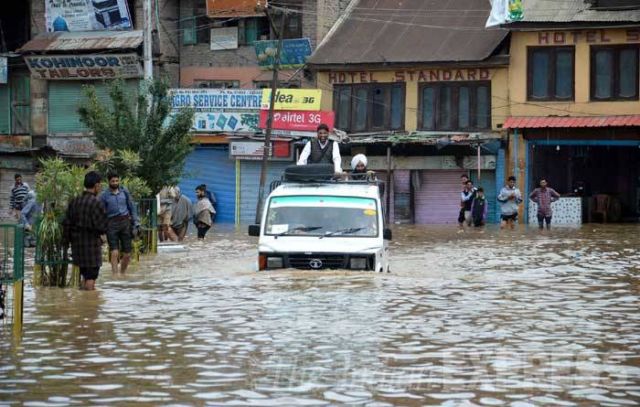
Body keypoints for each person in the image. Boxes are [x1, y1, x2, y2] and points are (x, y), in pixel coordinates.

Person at [62, 171, 108, 290]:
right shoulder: (97, 203)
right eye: (100, 185)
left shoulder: (75, 201)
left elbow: (66, 223)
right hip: (91, 246)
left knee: (85, 275)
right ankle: (90, 305)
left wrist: (67, 242)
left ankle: (82, 302)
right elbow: (101, 226)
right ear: (96, 185)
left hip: (77, 246)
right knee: (91, 276)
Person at [99, 173, 139, 274]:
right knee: (114, 252)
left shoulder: (124, 191)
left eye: (117, 181)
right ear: (109, 182)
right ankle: (115, 276)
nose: (115, 183)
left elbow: (132, 207)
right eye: (113, 181)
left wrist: (136, 224)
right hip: (111, 224)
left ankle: (122, 274)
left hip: (125, 223)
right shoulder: (104, 195)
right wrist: (102, 230)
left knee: (127, 254)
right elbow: (101, 213)